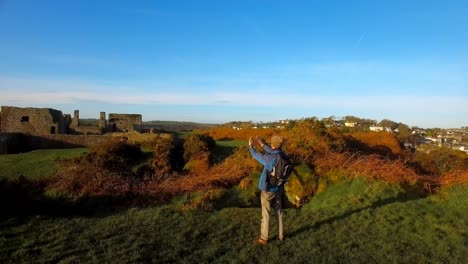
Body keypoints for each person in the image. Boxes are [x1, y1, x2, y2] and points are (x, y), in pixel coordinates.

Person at [249, 135, 286, 245]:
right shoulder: (282, 155)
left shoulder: (270, 158)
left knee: (266, 213)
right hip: (279, 188)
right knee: (279, 212)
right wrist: (262, 144)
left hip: (268, 189)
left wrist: (251, 146)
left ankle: (264, 238)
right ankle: (281, 235)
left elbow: (255, 155)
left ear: (273, 144)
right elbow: (273, 151)